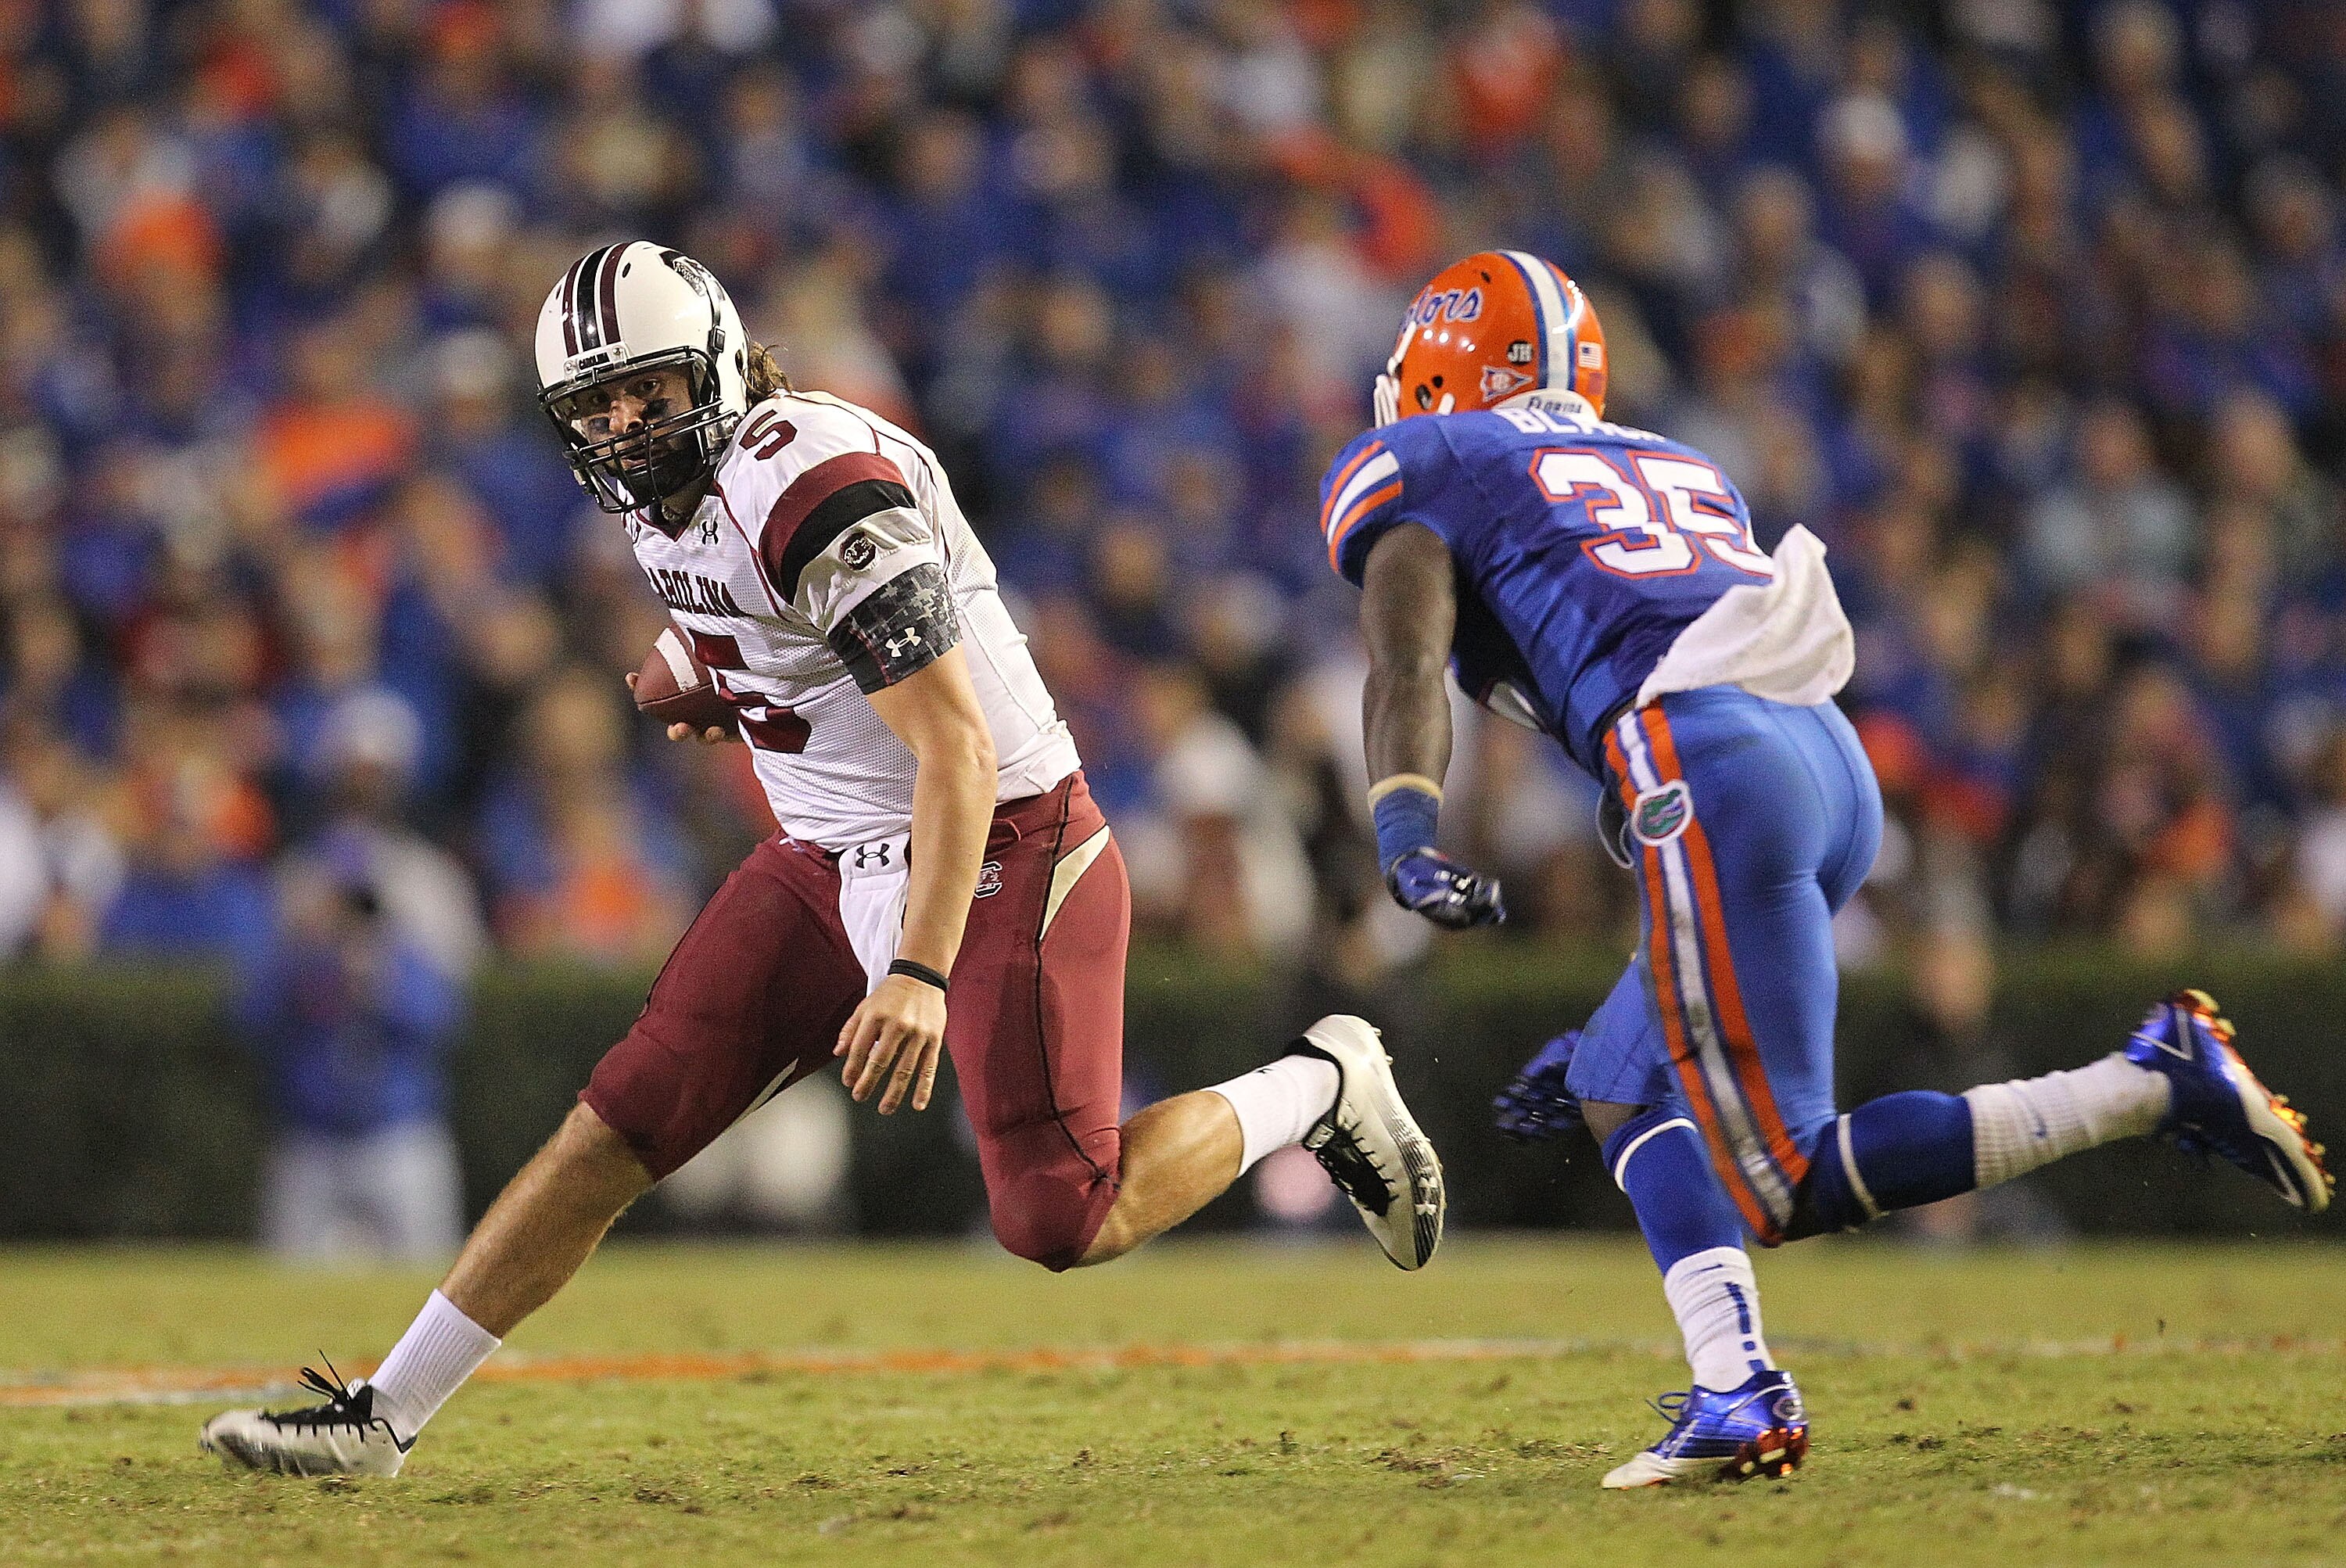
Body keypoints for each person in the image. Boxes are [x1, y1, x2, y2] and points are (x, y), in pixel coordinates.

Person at [200, 242, 1443, 1477]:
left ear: (723, 368)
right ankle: (384, 1414)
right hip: (826, 855)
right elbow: (776, 631)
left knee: (1059, 1212)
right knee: (614, 1129)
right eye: (599, 406)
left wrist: (917, 969)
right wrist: (703, 674)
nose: (627, 428)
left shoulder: (814, 486)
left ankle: (1320, 1084)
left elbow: (952, 746)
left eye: (649, 391)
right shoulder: (674, 501)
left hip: (1006, 837)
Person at [1322, 250, 2332, 1488]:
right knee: (1614, 1081)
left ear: (1442, 366)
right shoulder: (1678, 460)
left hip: (1705, 756)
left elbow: (1407, 663)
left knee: (1786, 1177)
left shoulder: (1427, 460)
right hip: (1822, 761)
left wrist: (1406, 832)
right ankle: (1735, 1387)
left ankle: (2148, 1082)